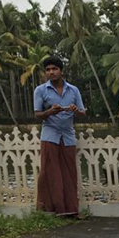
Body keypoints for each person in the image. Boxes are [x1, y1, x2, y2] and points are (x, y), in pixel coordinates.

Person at [33, 56, 86, 217]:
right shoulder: (41, 90)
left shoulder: (73, 90)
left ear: (61, 71)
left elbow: (83, 113)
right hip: (50, 135)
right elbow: (37, 115)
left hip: (68, 135)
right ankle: (50, 210)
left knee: (69, 173)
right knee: (50, 172)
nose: (51, 72)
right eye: (48, 70)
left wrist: (75, 111)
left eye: (54, 69)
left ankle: (70, 210)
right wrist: (50, 112)